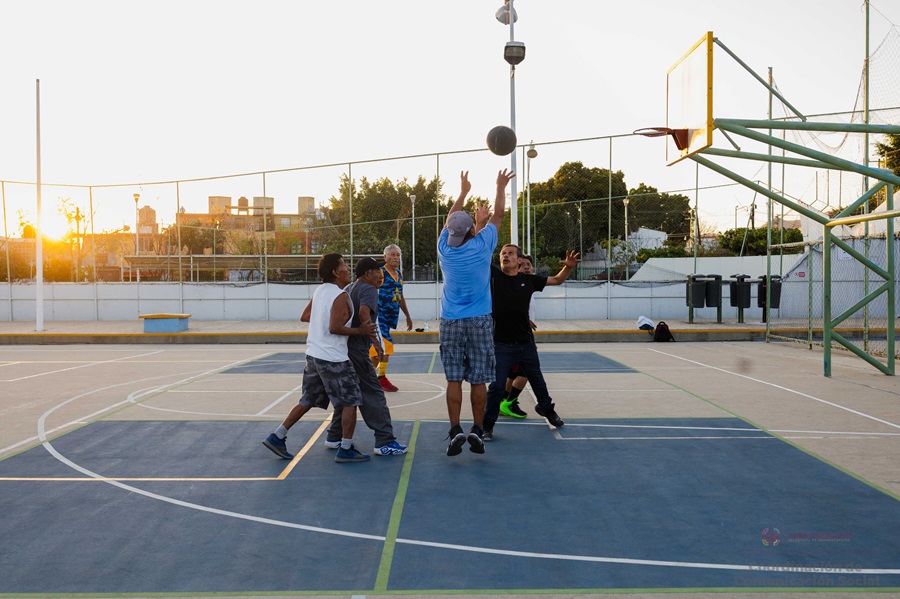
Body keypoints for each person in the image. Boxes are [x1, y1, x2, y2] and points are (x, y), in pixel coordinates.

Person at [262, 253, 376, 463]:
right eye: (344, 264)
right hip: (333, 358)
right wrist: (360, 330)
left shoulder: (320, 290)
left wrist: (322, 319)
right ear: (335, 272)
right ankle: (346, 448)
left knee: (307, 400)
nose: (348, 267)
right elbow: (334, 328)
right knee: (351, 400)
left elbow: (305, 316)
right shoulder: (340, 296)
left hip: (313, 355)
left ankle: (278, 435)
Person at [437, 169, 512, 457]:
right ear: (472, 231)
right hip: (480, 320)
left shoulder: (444, 248)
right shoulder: (482, 246)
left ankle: (455, 428)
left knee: (453, 379)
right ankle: (477, 429)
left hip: (450, 321)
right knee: (479, 378)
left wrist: (463, 192)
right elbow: (499, 215)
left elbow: (449, 221)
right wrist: (499, 185)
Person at [482, 244, 580, 441]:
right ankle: (487, 425)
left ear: (519, 261)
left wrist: (568, 266)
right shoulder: (493, 275)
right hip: (501, 344)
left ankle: (546, 408)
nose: (505, 256)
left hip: (526, 343)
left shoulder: (529, 280)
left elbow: (558, 279)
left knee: (537, 381)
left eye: (510, 253)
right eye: (502, 253)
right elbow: (477, 256)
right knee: (497, 387)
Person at [323, 257, 408, 456]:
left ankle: (334, 437)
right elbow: (363, 313)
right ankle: (384, 441)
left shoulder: (350, 287)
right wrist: (377, 343)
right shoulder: (369, 289)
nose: (381, 275)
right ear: (368, 274)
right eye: (377, 271)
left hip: (344, 350)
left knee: (348, 396)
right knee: (374, 394)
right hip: (358, 351)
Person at [498, 254, 537, 419]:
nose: (527, 267)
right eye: (524, 265)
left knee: (513, 374)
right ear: (518, 267)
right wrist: (523, 320)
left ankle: (504, 401)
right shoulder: (514, 285)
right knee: (527, 371)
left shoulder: (529, 284)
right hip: (518, 337)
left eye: (530, 264)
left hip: (523, 334)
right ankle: (509, 402)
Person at [370, 244, 413, 392]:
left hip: (390, 317)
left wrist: (407, 315)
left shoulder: (399, 274)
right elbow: (369, 291)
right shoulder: (380, 273)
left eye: (398, 255)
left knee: (376, 353)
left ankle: (364, 378)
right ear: (385, 257)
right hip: (379, 316)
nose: (396, 257)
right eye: (392, 255)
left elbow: (400, 297)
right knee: (385, 347)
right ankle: (380, 378)